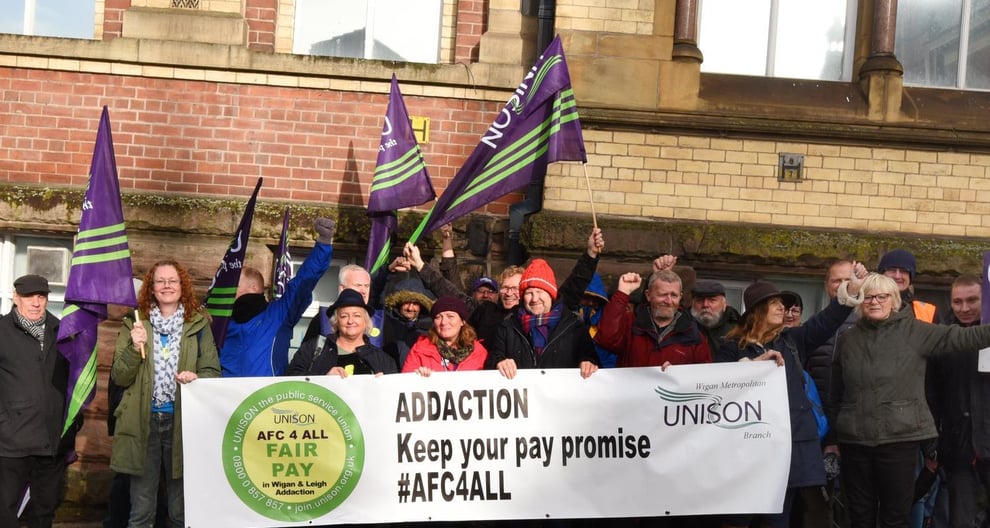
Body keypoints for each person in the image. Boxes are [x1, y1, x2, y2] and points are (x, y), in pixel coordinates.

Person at [825, 273, 990, 528]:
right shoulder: (848, 339)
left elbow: (962, 338)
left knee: (896, 517)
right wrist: (835, 437)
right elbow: (836, 392)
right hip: (855, 440)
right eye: (868, 296)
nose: (874, 301)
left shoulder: (915, 331)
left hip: (900, 440)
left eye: (882, 296)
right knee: (859, 515)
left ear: (895, 300)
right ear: (859, 302)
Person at [717, 265, 867, 528]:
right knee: (737, 520)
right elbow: (717, 388)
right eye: (773, 303)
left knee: (779, 521)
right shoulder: (730, 348)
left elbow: (828, 319)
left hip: (787, 450)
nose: (782, 308)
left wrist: (851, 288)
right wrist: (755, 365)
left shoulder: (793, 341)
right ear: (755, 312)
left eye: (782, 304)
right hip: (746, 453)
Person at [111, 260, 220, 527]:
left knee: (180, 512)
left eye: (172, 280)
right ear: (152, 287)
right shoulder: (135, 323)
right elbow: (120, 376)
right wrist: (134, 348)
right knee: (141, 512)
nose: (167, 286)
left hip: (183, 425)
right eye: (160, 281)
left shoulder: (198, 325)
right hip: (143, 422)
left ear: (182, 286)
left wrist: (196, 378)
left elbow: (212, 372)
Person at [408, 227, 605, 346]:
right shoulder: (484, 311)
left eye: (515, 289)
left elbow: (573, 288)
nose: (509, 293)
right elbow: (449, 291)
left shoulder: (540, 314)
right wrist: (420, 265)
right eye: (505, 288)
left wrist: (591, 255)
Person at [0, 275, 74, 528]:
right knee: (4, 513)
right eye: (30, 296)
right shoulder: (1, 331)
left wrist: (71, 425)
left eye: (41, 296)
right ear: (16, 297)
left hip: (51, 442)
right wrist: (3, 423)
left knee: (43, 513)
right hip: (10, 443)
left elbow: (72, 382)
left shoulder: (62, 332)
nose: (36, 303)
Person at [220, 217, 335, 377]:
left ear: (253, 287)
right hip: (225, 397)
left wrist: (323, 243)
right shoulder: (221, 321)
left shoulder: (279, 314)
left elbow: (303, 281)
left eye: (234, 285)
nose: (227, 290)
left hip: (267, 398)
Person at [929, 274, 990, 528]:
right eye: (957, 301)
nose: (964, 308)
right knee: (961, 520)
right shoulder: (942, 340)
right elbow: (933, 395)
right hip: (959, 449)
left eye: (972, 300)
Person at [486, 258, 599, 379]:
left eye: (540, 292)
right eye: (529, 293)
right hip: (523, 396)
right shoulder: (507, 327)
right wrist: (499, 362)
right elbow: (492, 359)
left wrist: (588, 363)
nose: (534, 299)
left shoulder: (574, 327)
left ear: (551, 295)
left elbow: (593, 360)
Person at [595, 261, 711, 369]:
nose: (668, 300)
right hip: (631, 390)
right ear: (648, 295)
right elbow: (606, 340)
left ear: (680, 297)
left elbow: (703, 377)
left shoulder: (692, 333)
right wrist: (622, 294)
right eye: (662, 294)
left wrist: (680, 375)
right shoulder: (631, 322)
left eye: (674, 295)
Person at [286, 288, 397, 376]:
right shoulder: (313, 348)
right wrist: (324, 376)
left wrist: (383, 386)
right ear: (336, 321)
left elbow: (394, 394)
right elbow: (291, 377)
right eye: (344, 316)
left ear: (366, 321)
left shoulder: (383, 360)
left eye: (357, 315)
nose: (350, 321)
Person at [402, 296, 487, 375]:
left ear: (462, 321)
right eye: (438, 317)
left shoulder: (479, 352)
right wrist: (417, 378)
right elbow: (405, 385)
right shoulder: (420, 349)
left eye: (450, 316)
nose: (443, 322)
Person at [382, 277, 434, 369]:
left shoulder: (431, 327)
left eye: (415, 304)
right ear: (399, 303)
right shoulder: (386, 322)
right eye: (406, 303)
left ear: (421, 305)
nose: (410, 308)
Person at [689, 279, 741, 359]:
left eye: (712, 300)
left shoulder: (738, 328)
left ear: (724, 305)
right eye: (699, 300)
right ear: (692, 304)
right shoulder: (681, 327)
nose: (705, 305)